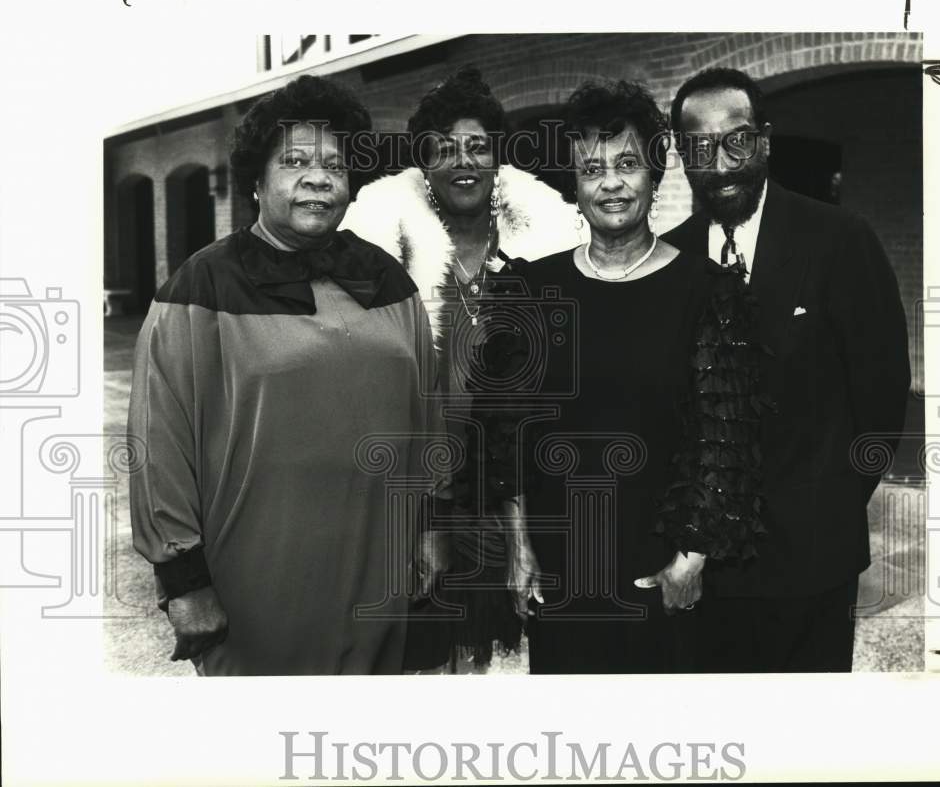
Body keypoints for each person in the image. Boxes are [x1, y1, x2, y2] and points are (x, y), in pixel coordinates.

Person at [128, 75, 446, 675]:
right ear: (256, 180)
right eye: (294, 161)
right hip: (254, 582)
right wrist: (183, 580)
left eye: (334, 164)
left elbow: (427, 418)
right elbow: (157, 445)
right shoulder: (200, 289)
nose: (318, 176)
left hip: (378, 570)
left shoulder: (385, 281)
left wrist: (430, 526)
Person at [476, 80, 766, 674]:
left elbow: (724, 437)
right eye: (593, 169)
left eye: (628, 164)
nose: (611, 183)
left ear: (655, 176)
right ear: (575, 186)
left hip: (659, 571)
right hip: (560, 569)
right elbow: (507, 437)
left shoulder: (707, 291)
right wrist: (518, 546)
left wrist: (691, 558)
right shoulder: (532, 292)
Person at [662, 67, 911, 673]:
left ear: (765, 141)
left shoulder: (840, 240)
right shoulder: (671, 258)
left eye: (736, 140)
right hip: (707, 574)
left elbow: (882, 392)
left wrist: (831, 499)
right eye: (699, 146)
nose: (719, 163)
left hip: (813, 562)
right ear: (680, 155)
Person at [341, 66, 584, 671]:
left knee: (477, 654)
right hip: (412, 489)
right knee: (413, 654)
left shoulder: (540, 248)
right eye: (443, 148)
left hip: (500, 490)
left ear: (499, 157)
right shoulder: (386, 255)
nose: (463, 161)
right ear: (423, 163)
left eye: (477, 145)